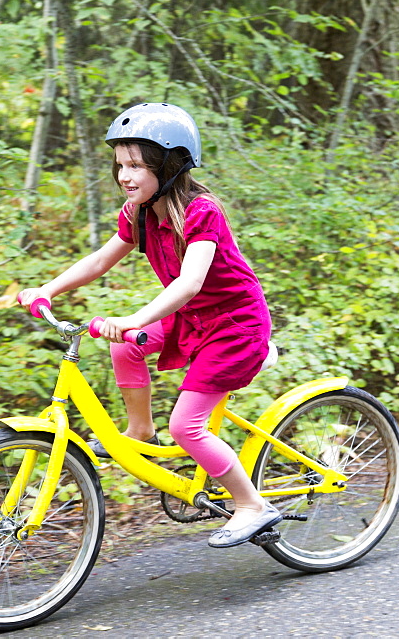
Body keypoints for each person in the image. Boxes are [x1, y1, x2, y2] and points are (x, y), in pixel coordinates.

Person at [17, 102, 279, 548]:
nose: (125, 175)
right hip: (192, 320)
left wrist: (135, 317)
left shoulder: (201, 212)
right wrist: (48, 288)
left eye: (136, 165)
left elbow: (191, 281)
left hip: (234, 326)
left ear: (170, 166)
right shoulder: (138, 214)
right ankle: (140, 430)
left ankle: (252, 505)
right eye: (120, 164)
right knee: (126, 346)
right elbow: (101, 260)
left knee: (187, 427)